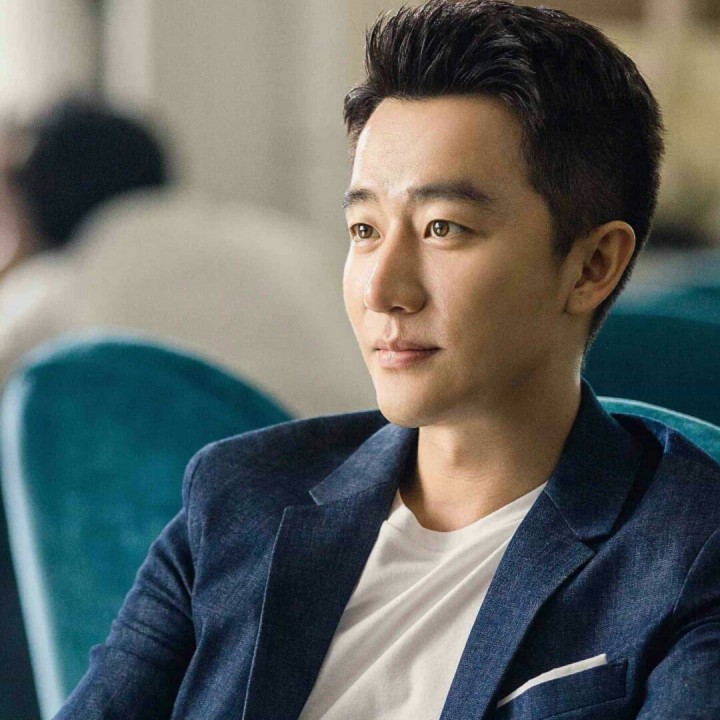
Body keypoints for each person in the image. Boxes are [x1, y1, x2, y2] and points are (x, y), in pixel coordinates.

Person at [55, 1, 720, 718]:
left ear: (592, 266)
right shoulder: (237, 500)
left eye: (443, 227)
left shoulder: (687, 550)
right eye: (364, 229)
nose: (381, 289)